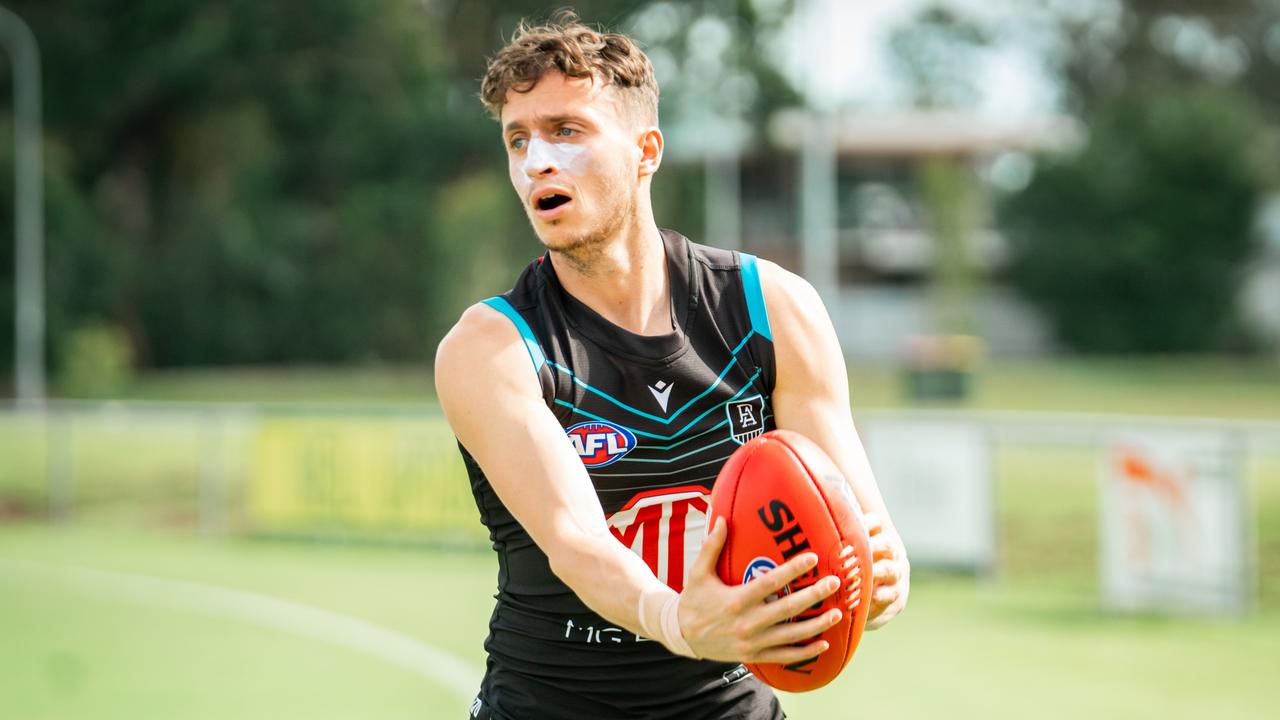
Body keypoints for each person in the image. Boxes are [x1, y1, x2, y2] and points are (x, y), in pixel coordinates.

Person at [435, 13, 909, 720]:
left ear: (646, 150)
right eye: (518, 139)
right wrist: (682, 622)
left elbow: (855, 517)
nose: (537, 161)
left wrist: (881, 573)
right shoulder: (490, 348)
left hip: (729, 705)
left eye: (567, 130)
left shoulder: (772, 308)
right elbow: (577, 541)